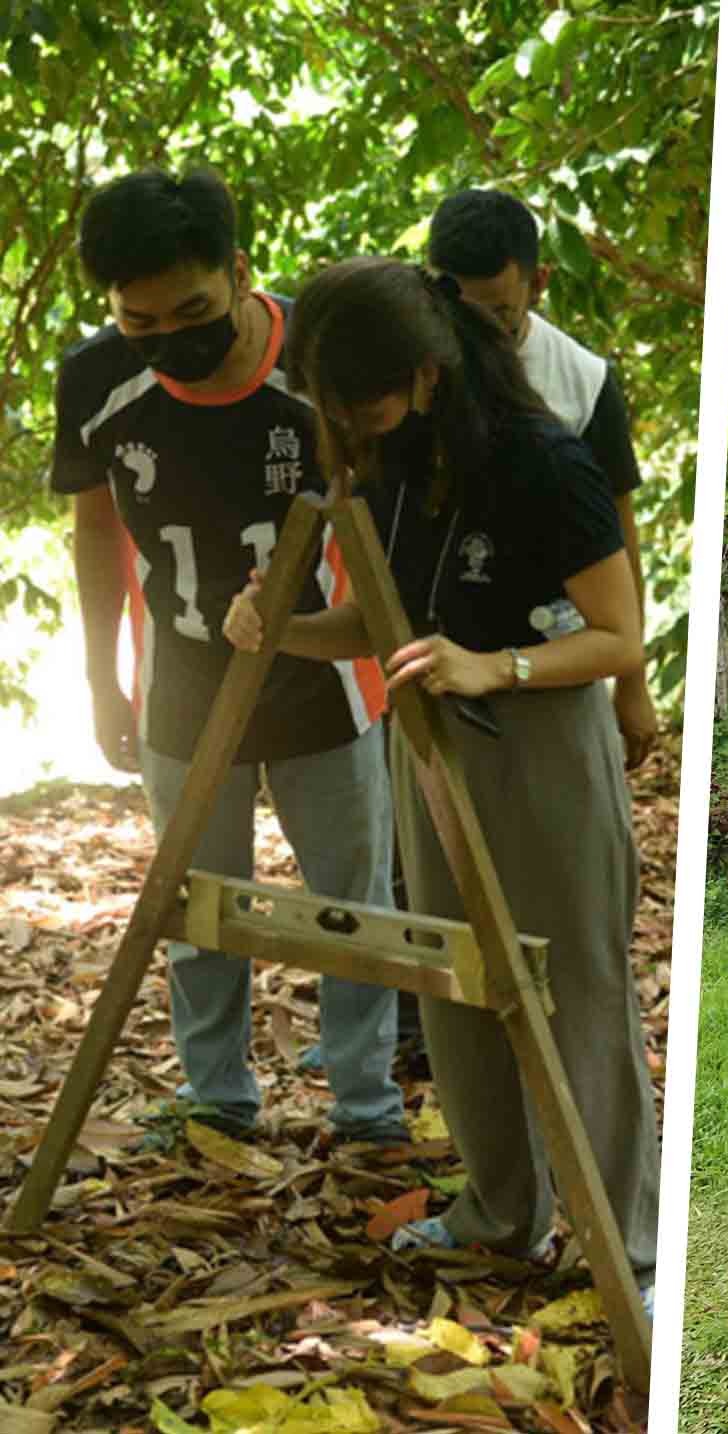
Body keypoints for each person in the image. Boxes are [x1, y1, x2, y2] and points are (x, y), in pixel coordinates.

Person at [230, 255, 657, 1308]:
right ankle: (502, 1217)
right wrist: (280, 627)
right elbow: (386, 624)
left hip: (539, 736)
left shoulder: (537, 460)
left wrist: (493, 665)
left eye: (361, 402)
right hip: (430, 739)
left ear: (426, 370)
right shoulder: (387, 455)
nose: (350, 425)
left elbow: (617, 636)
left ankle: (632, 1253)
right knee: (461, 978)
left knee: (575, 993)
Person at [56, 168, 404, 1150]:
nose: (171, 339)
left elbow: (388, 517)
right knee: (198, 905)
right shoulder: (96, 378)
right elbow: (95, 534)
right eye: (140, 321)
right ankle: (217, 1096)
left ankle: (365, 1108)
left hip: (328, 673)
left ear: (242, 272)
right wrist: (101, 680)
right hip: (183, 680)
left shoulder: (325, 362)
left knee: (351, 904)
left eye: (194, 311)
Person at [428, 188, 656, 770]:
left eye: (499, 314)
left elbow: (620, 532)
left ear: (539, 284)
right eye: (462, 310)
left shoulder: (582, 383)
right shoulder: (417, 362)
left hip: (554, 658)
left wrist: (633, 685)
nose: (477, 331)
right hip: (436, 661)